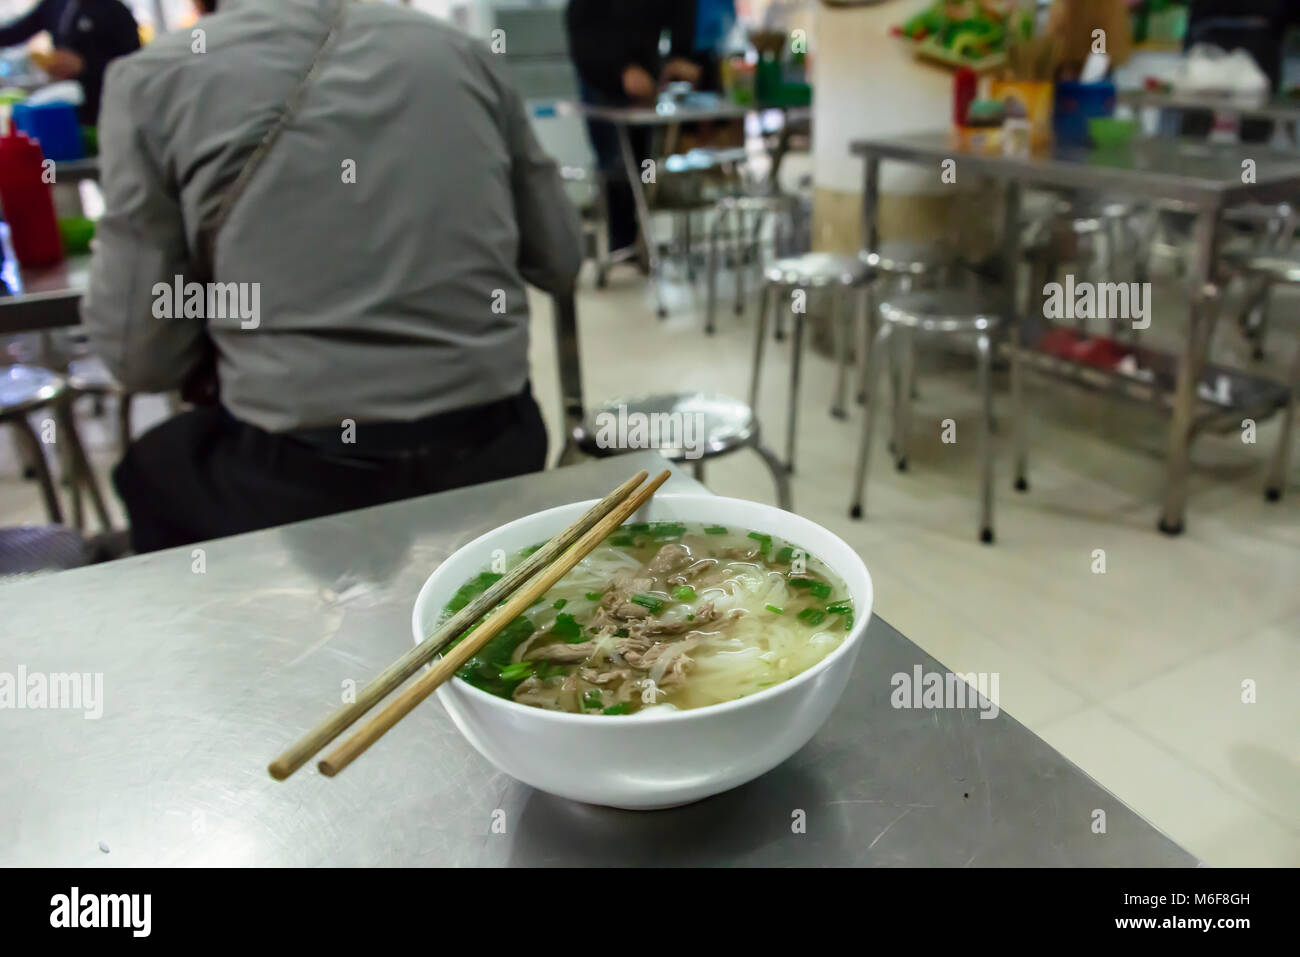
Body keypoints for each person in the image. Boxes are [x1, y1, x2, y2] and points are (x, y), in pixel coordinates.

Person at [81, 0, 582, 553]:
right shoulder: (464, 55)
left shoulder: (154, 77)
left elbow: (139, 358)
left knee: (152, 470)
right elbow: (559, 260)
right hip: (495, 448)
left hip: (295, 477)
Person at [565, 0, 698, 257]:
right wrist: (620, 69)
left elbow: (682, 11)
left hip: (646, 78)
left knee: (645, 163)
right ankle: (622, 246)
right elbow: (581, 32)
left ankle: (640, 242)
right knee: (616, 165)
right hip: (601, 77)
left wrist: (679, 55)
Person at [0, 0, 140, 124]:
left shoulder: (114, 10)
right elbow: (15, 32)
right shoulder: (56, 5)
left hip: (108, 104)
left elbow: (134, 65)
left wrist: (86, 65)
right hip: (70, 103)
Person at [1179, 0, 1300, 142]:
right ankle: (1252, 157)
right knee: (1256, 122)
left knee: (1196, 118)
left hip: (1208, 46)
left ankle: (1190, 153)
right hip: (1259, 47)